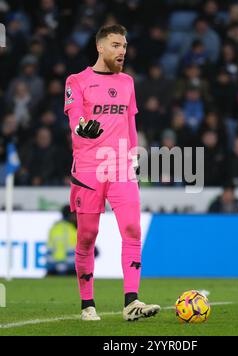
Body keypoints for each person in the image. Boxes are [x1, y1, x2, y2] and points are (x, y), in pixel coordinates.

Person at [64, 24, 160, 321]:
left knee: (132, 230)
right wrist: (82, 127)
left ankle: (131, 302)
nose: (122, 50)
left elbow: (130, 123)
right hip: (89, 168)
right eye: (116, 45)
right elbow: (75, 116)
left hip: (120, 167)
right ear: (100, 47)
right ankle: (87, 304)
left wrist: (134, 155)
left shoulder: (128, 83)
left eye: (125, 45)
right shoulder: (77, 80)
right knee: (87, 236)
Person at [46, 205, 77, 275]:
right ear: (70, 215)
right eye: (75, 214)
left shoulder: (54, 227)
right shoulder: (72, 229)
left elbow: (50, 248)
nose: (77, 217)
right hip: (70, 267)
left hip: (52, 267)